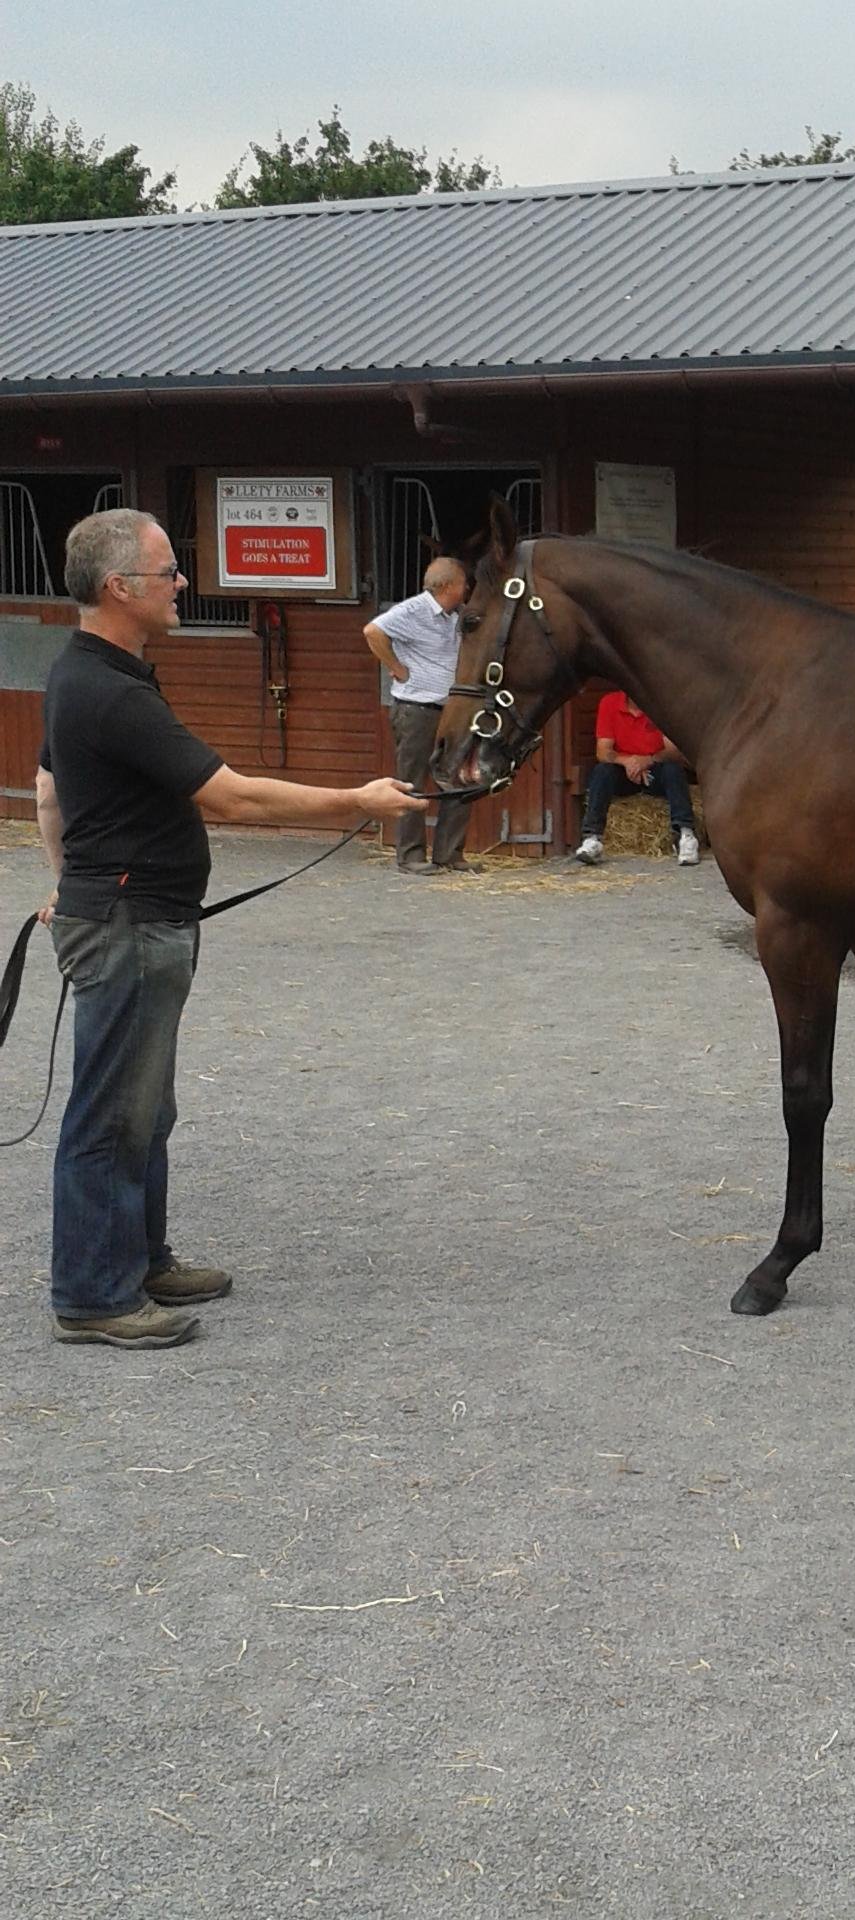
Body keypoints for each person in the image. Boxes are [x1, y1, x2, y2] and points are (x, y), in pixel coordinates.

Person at [33, 508, 425, 1350]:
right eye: (169, 571)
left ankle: (138, 1259)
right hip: (130, 923)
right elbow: (231, 796)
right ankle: (93, 1296)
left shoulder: (98, 673)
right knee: (111, 1113)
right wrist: (356, 800)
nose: (183, 584)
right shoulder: (108, 690)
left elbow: (50, 792)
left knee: (146, 1108)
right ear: (118, 588)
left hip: (132, 915)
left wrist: (68, 888)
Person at [362, 557, 482, 875]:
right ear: (447, 586)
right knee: (411, 782)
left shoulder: (454, 616)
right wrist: (397, 668)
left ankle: (449, 853)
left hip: (451, 710)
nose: (467, 587)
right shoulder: (413, 610)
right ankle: (411, 855)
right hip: (418, 709)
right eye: (463, 582)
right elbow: (373, 631)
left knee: (457, 780)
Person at [573, 689, 699, 867]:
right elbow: (603, 751)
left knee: (673, 770)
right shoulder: (610, 703)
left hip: (654, 769)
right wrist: (627, 762)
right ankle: (592, 838)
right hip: (625, 771)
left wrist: (645, 761)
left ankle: (686, 835)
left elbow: (673, 751)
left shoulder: (661, 704)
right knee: (602, 772)